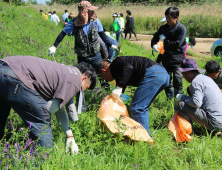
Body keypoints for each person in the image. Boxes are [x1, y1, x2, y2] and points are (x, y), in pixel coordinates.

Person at [0, 56, 96, 154]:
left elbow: (60, 107)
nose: (83, 91)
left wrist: (69, 136)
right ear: (84, 79)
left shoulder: (68, 71)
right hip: (16, 76)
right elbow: (50, 108)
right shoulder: (75, 81)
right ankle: (42, 159)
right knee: (42, 120)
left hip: (4, 66)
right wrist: (37, 115)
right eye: (86, 88)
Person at [97, 56, 170, 136]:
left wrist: (119, 87)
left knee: (137, 107)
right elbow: (121, 89)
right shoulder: (118, 73)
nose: (106, 80)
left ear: (103, 71)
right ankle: (144, 135)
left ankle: (144, 138)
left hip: (154, 73)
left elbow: (128, 67)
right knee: (142, 107)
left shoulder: (115, 63)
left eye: (103, 77)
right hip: (163, 75)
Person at [49, 1, 117, 72]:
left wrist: (111, 44)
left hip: (95, 55)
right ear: (84, 12)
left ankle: (104, 84)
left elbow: (103, 35)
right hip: (82, 56)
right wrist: (54, 46)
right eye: (91, 11)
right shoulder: (73, 23)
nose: (93, 12)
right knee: (82, 76)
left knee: (101, 75)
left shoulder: (96, 21)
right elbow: (62, 33)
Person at [175, 58, 222, 134]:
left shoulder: (196, 82)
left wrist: (182, 97)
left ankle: (188, 134)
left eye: (183, 74)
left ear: (188, 72)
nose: (183, 77)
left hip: (215, 122)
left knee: (182, 105)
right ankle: (213, 131)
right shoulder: (206, 78)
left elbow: (196, 103)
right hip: (220, 119)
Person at [151, 6, 187, 99]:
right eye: (166, 17)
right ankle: (169, 97)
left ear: (176, 18)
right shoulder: (163, 28)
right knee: (166, 77)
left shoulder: (181, 29)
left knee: (177, 77)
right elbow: (155, 36)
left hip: (177, 56)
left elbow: (178, 44)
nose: (167, 20)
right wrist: (154, 45)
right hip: (166, 55)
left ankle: (178, 97)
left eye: (169, 18)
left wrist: (165, 41)